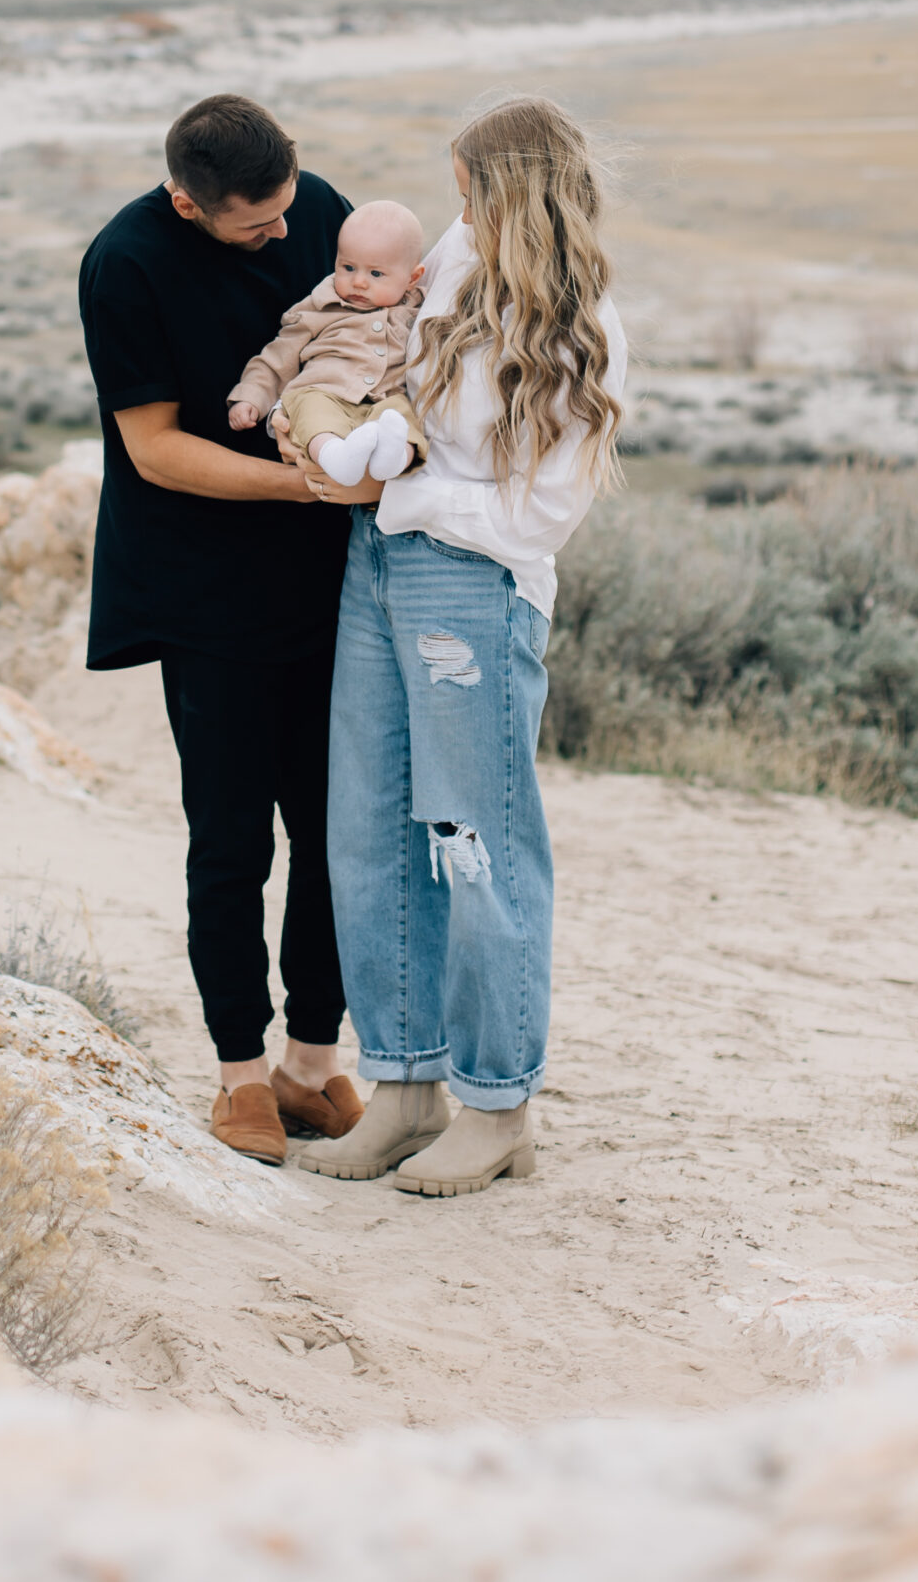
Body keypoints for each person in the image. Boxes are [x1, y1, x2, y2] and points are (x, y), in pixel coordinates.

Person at [289, 96, 627, 1197]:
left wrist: (413, 489)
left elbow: (542, 517)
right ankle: (400, 1086)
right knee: (370, 824)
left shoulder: (584, 329)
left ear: (506, 191)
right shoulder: (453, 256)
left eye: (468, 186)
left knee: (472, 839)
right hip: (375, 561)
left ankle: (496, 1103)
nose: (457, 207)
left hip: (471, 586)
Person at [77, 93, 363, 1167]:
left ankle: (309, 1064)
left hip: (331, 591)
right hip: (204, 595)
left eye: (288, 212)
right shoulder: (125, 265)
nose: (284, 238)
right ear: (186, 205)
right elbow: (152, 448)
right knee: (231, 841)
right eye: (255, 227)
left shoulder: (315, 211)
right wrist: (305, 490)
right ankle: (239, 1076)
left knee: (334, 836)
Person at [227, 199, 429, 488]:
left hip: (382, 398)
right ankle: (336, 458)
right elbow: (277, 356)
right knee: (312, 412)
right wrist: (251, 394)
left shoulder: (418, 313)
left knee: (401, 418)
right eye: (347, 267)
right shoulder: (319, 307)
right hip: (323, 391)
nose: (358, 282)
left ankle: (394, 459)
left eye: (375, 274)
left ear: (412, 278)